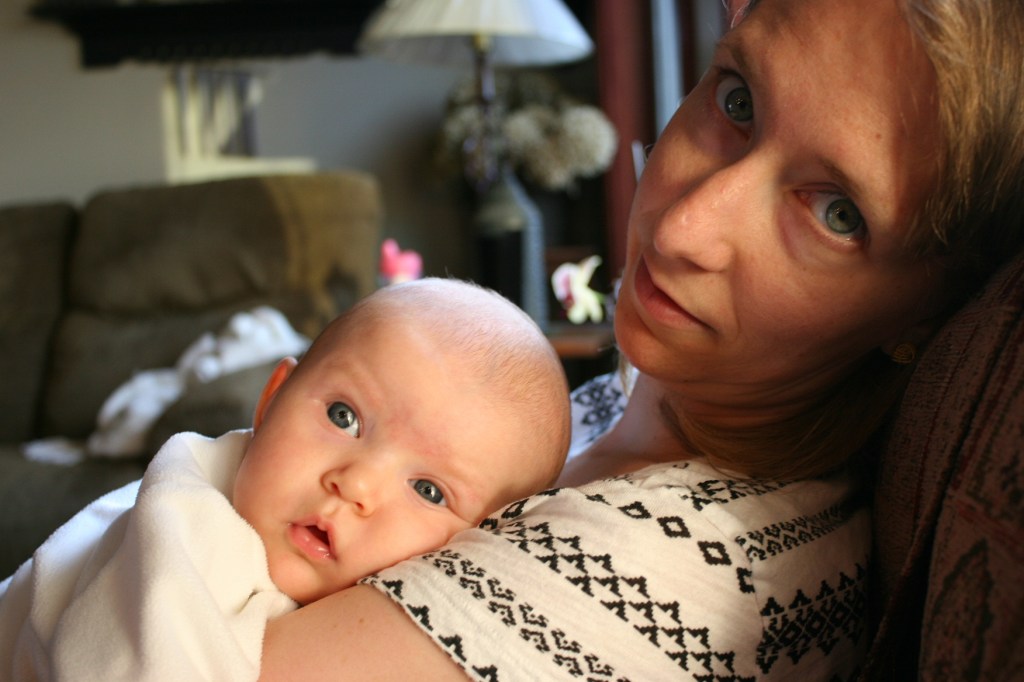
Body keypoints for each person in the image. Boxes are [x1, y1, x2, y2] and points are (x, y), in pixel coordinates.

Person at [255, 0, 1024, 680]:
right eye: (737, 99)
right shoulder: (631, 417)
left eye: (837, 214)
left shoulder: (673, 577)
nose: (685, 226)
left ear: (930, 308)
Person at [0, 278, 571, 680]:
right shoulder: (185, 534)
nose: (356, 484)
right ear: (271, 401)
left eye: (428, 490)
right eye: (343, 417)